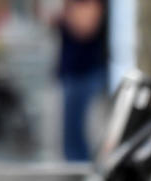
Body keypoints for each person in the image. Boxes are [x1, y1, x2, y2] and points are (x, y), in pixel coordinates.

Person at [57, 0, 107, 161]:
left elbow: (86, 27)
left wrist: (66, 12)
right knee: (71, 135)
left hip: (87, 72)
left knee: (80, 135)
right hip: (73, 72)